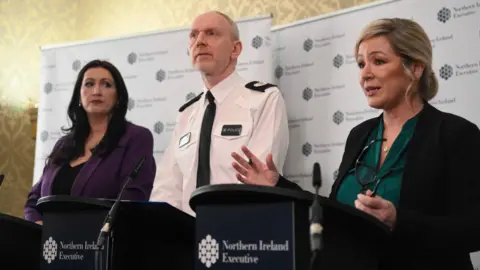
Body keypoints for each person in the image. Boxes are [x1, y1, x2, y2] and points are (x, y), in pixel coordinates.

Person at [231, 18, 480, 270]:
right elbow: (337, 215)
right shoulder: (360, 134)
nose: (365, 74)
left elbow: (474, 229)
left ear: (415, 68)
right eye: (361, 64)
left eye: (379, 61)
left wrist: (398, 221)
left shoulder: (456, 134)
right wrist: (278, 185)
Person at [149, 11, 294, 216]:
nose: (200, 41)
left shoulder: (263, 99)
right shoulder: (186, 114)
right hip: (185, 238)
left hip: (239, 233)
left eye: (211, 33)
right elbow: (167, 189)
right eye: (194, 35)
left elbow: (259, 183)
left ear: (236, 49)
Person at [25, 60, 156, 224]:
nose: (96, 91)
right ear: (79, 96)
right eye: (89, 84)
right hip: (50, 244)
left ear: (118, 98)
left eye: (106, 85)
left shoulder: (135, 138)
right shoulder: (63, 145)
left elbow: (132, 201)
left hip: (100, 244)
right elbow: (34, 200)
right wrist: (38, 224)